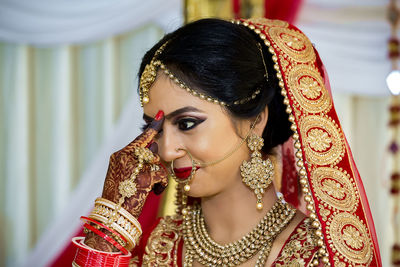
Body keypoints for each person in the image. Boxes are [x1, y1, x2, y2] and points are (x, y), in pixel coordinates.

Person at [71, 18, 382, 266]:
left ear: (255, 121)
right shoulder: (158, 248)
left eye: (187, 123)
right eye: (156, 128)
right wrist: (108, 228)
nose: (165, 150)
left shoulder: (320, 256)